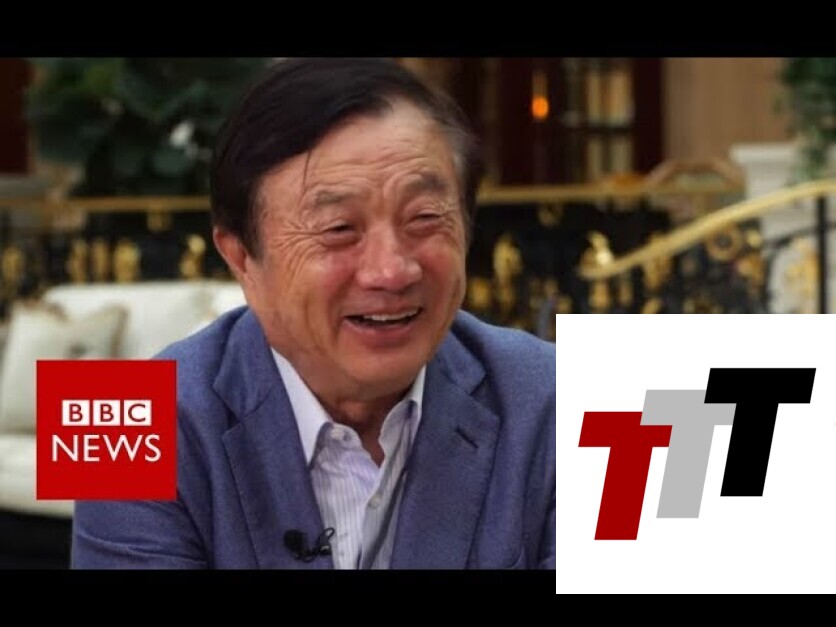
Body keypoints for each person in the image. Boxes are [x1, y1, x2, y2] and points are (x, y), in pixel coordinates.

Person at [71, 57, 556, 569]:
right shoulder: (114, 422)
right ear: (241, 256)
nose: (392, 271)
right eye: (339, 229)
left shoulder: (599, 395)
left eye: (425, 217)